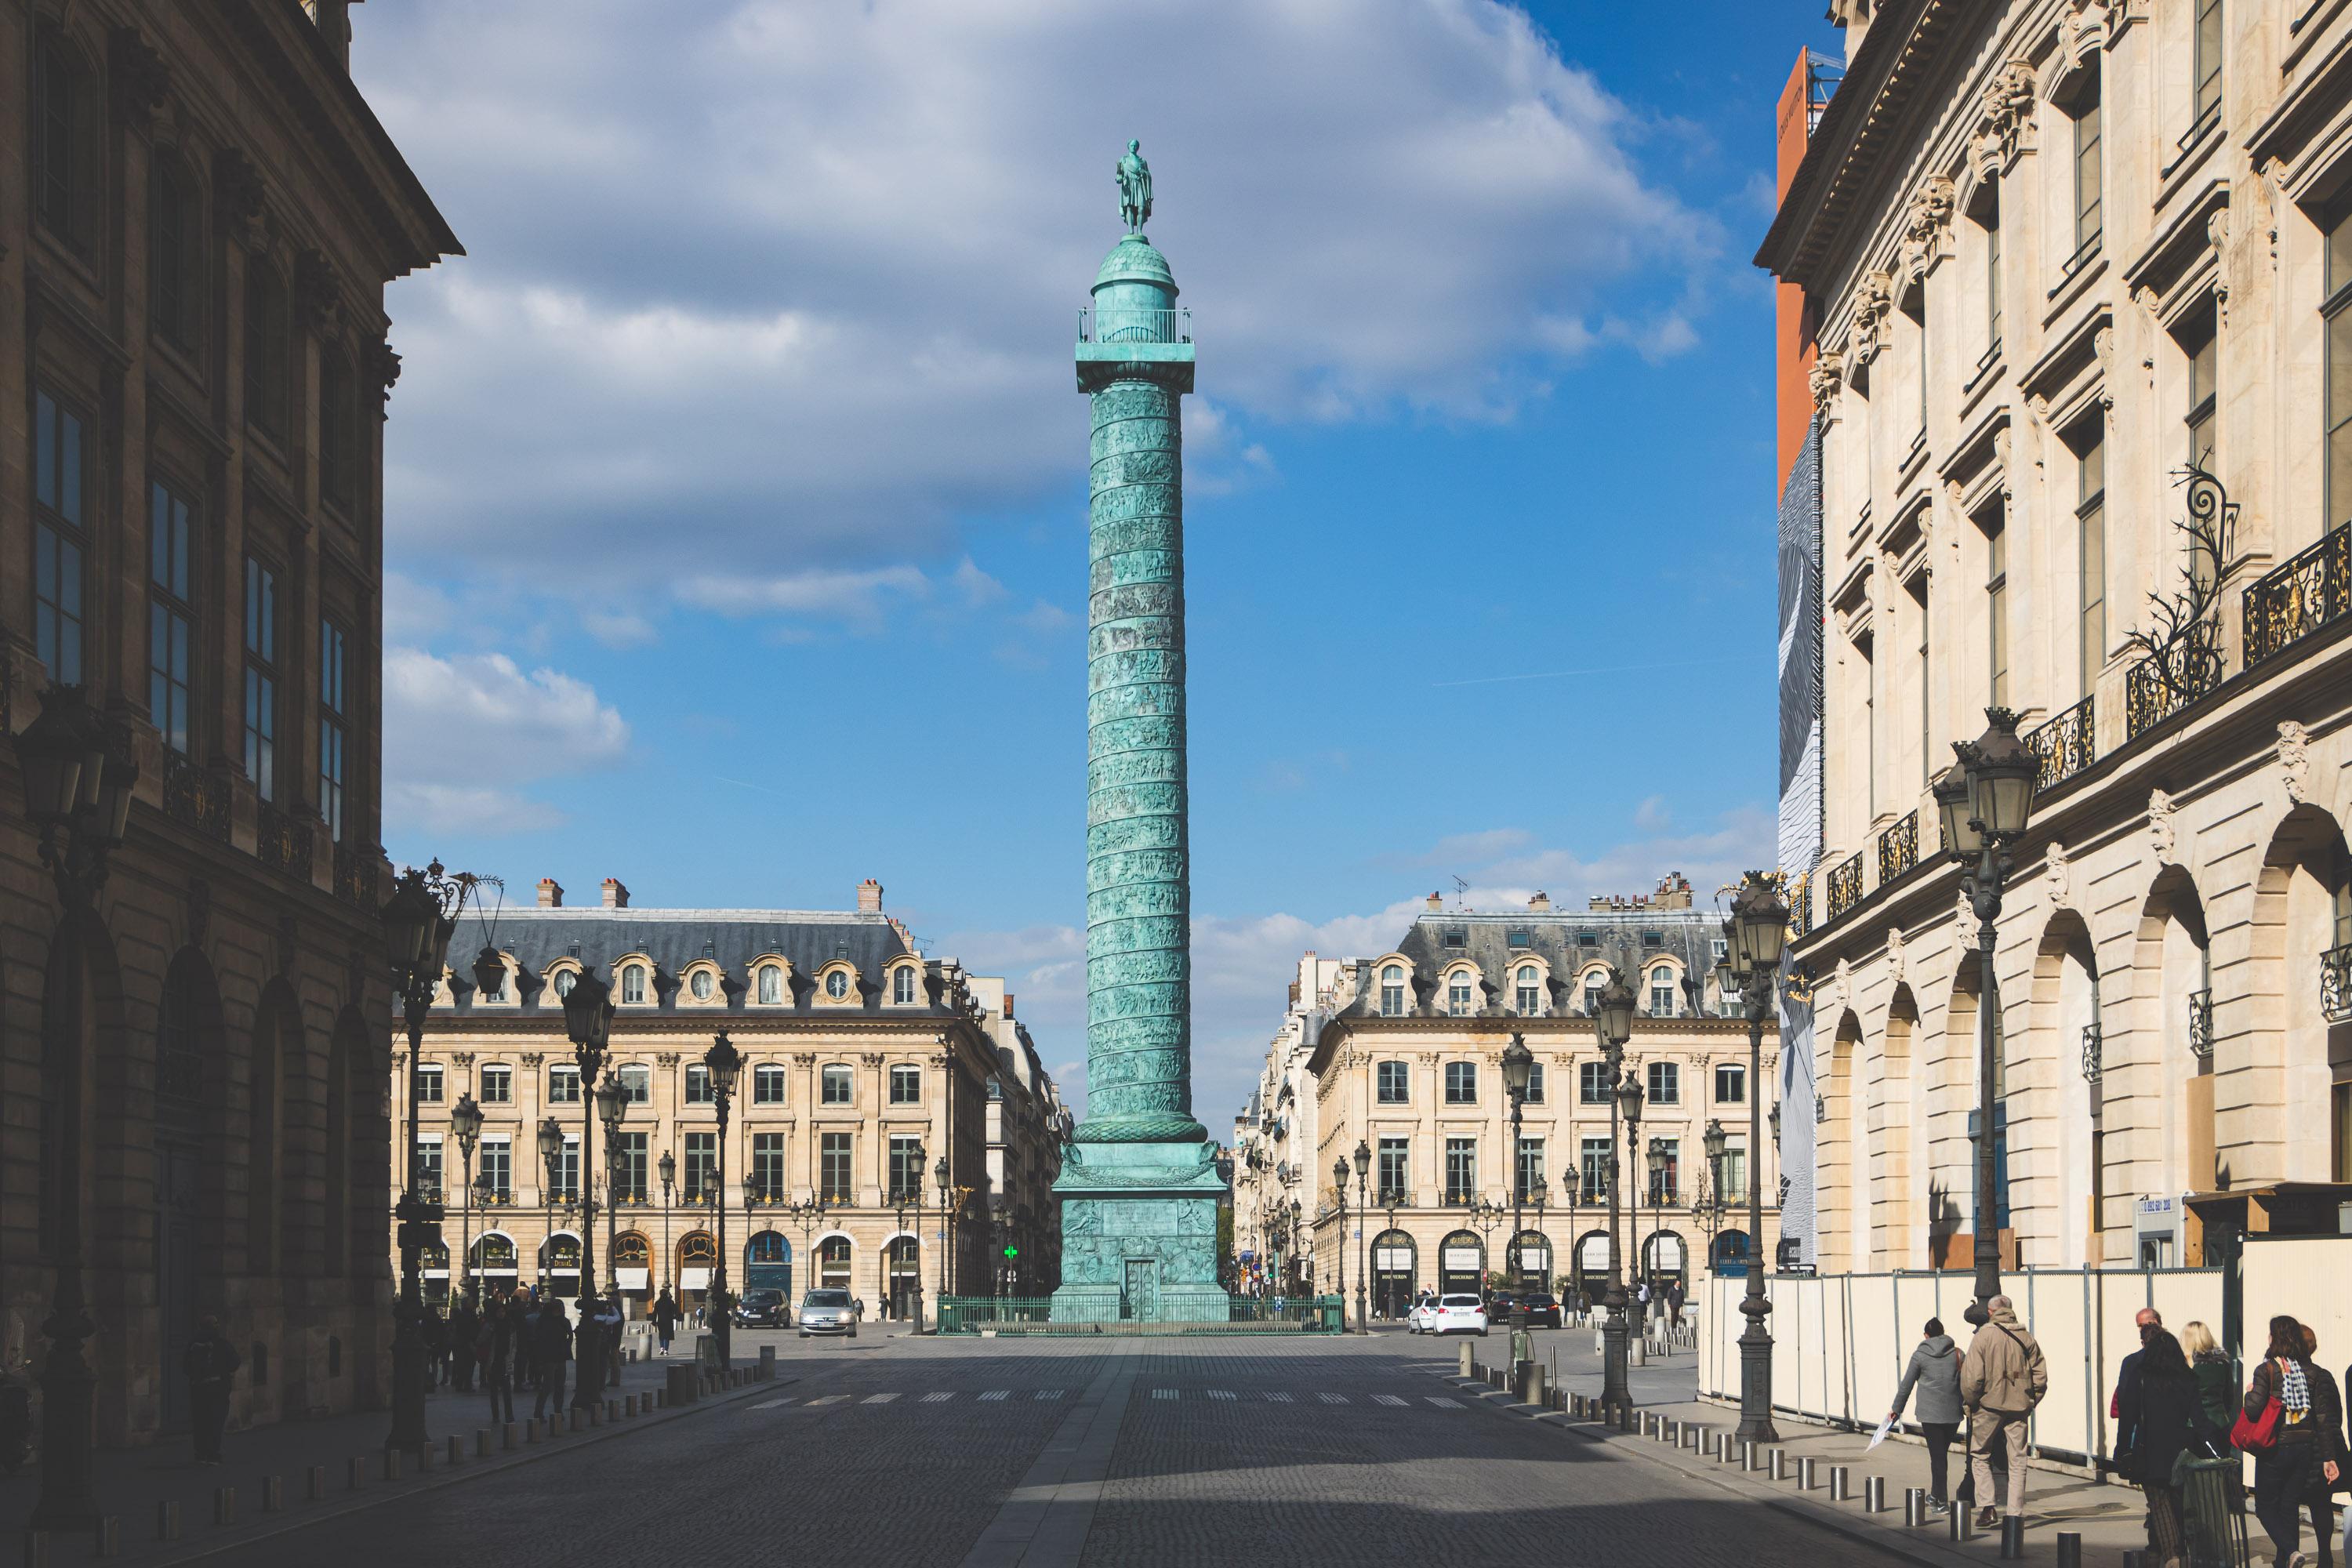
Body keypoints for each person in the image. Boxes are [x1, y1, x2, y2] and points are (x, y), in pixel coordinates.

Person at [2244, 1314, 2344, 1567]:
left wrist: (2249, 1395)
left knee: (2276, 1506)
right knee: (2316, 1505)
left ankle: (2288, 1553)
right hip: (2315, 1452)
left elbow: (2257, 1410)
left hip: (2284, 1450)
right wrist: (2330, 1455)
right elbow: (2331, 1417)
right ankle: (2323, 1558)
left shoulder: (2274, 1371)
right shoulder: (2319, 1375)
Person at [1960, 1293, 2049, 1532]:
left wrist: (1972, 1403)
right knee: (2018, 1460)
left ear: (1990, 1313)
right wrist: (2030, 1401)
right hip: (2019, 1408)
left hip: (1989, 1406)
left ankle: (1988, 1508)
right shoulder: (2026, 1337)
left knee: (1979, 1454)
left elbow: (1971, 1378)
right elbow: (2040, 1376)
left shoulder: (1983, 1336)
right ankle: (2015, 1514)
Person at [2118, 1327, 2202, 1568]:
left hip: (2150, 1450)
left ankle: (2171, 1554)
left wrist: (2122, 1448)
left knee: (2158, 1503)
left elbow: (2128, 1415)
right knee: (2175, 1503)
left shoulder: (2142, 1377)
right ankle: (2161, 1551)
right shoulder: (2189, 1379)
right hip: (2181, 1450)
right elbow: (2199, 1418)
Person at [1889, 1318, 1964, 1515]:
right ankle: (1935, 1494)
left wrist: (1896, 1409)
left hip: (1930, 1416)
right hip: (1953, 1414)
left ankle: (1941, 1502)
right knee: (1940, 1456)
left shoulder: (1920, 1355)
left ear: (1926, 1336)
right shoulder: (1957, 1354)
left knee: (1938, 1458)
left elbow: (1906, 1385)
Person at [183, 1316, 241, 1466]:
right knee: (215, 1421)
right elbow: (235, 1362)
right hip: (217, 1388)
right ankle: (213, 1454)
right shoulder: (222, 1344)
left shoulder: (193, 1345)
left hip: (198, 1388)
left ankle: (201, 1453)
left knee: (200, 1421)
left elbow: (185, 1367)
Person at [2114, 1307, 2163, 1450]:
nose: (2140, 1329)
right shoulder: (2176, 1356)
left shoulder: (2133, 1361)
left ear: (2155, 1322)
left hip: (2141, 1424)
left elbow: (2124, 1400)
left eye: (2142, 1325)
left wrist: (2122, 1444)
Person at [2182, 1320, 2235, 1446]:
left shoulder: (2184, 1366)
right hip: (2220, 1424)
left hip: (2192, 1428)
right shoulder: (2223, 1364)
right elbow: (2229, 1397)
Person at [531, 1298, 571, 1420]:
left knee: (560, 1386)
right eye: (557, 1310)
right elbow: (539, 1341)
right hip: (549, 1358)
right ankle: (539, 1412)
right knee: (547, 1386)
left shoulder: (563, 1321)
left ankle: (558, 1411)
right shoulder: (544, 1322)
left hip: (560, 1357)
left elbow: (570, 1335)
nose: (559, 1312)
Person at [483, 1296, 516, 1425]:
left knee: (507, 1389)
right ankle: (496, 1415)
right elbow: (481, 1339)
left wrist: (512, 1357)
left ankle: (509, 1416)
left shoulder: (510, 1325)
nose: (501, 1314)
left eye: (503, 1312)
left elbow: (514, 1343)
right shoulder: (491, 1326)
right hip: (493, 1360)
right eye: (499, 1312)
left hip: (505, 1359)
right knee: (493, 1391)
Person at [653, 1288, 681, 1355]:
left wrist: (654, 1321)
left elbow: (654, 1313)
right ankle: (666, 1350)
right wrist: (678, 1317)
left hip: (660, 1321)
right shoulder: (670, 1302)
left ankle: (661, 1348)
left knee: (661, 1334)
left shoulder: (657, 1303)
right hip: (668, 1321)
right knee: (667, 1335)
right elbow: (676, 1311)